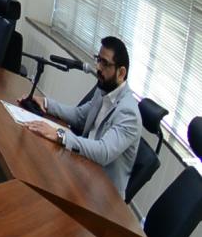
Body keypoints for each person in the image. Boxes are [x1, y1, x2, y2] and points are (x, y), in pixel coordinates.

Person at [22, 37, 142, 195]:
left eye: (105, 63)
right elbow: (79, 116)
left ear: (121, 73)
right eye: (98, 60)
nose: (98, 67)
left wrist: (60, 135)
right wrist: (46, 103)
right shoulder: (104, 90)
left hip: (102, 193)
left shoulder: (129, 113)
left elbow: (103, 152)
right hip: (83, 167)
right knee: (35, 163)